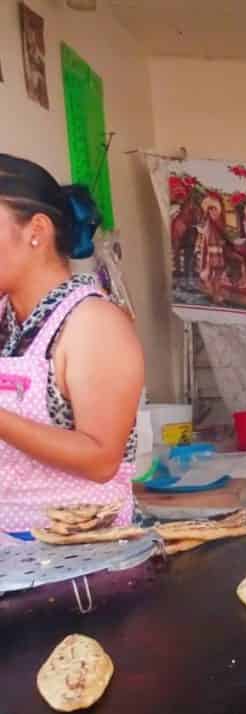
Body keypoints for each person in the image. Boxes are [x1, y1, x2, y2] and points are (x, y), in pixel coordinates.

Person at [0, 154, 143, 534]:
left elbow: (100, 459)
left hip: (79, 562)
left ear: (37, 231)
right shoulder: (6, 321)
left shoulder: (91, 324)